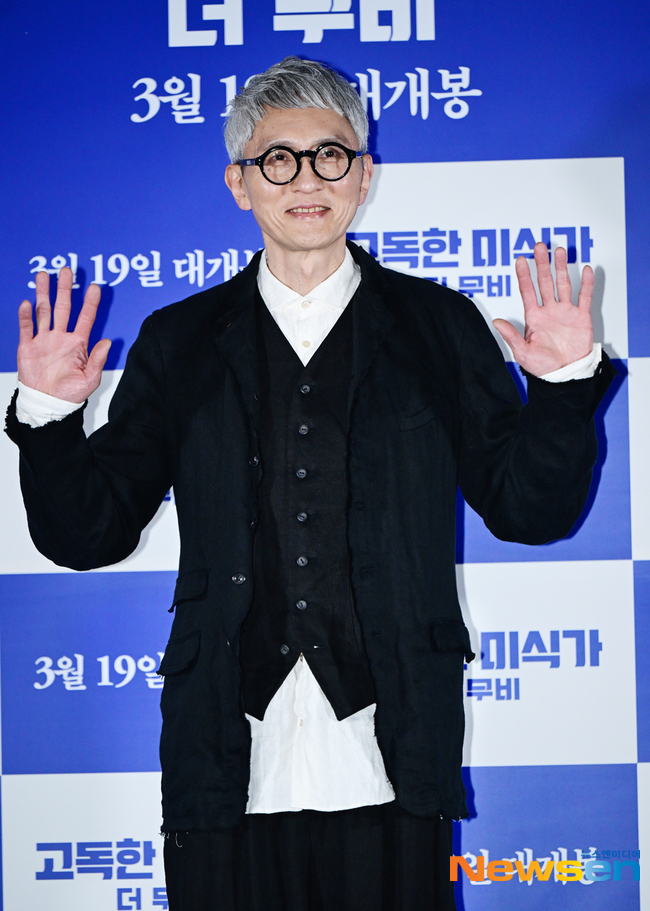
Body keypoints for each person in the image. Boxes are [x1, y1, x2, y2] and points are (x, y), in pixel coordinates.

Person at [6, 57, 614, 911]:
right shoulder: (180, 341)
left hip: (392, 745)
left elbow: (529, 511)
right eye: (277, 159)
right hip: (226, 751)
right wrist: (49, 417)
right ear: (239, 183)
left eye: (330, 156)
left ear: (363, 176)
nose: (306, 179)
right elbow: (86, 533)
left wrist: (561, 390)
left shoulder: (437, 326)